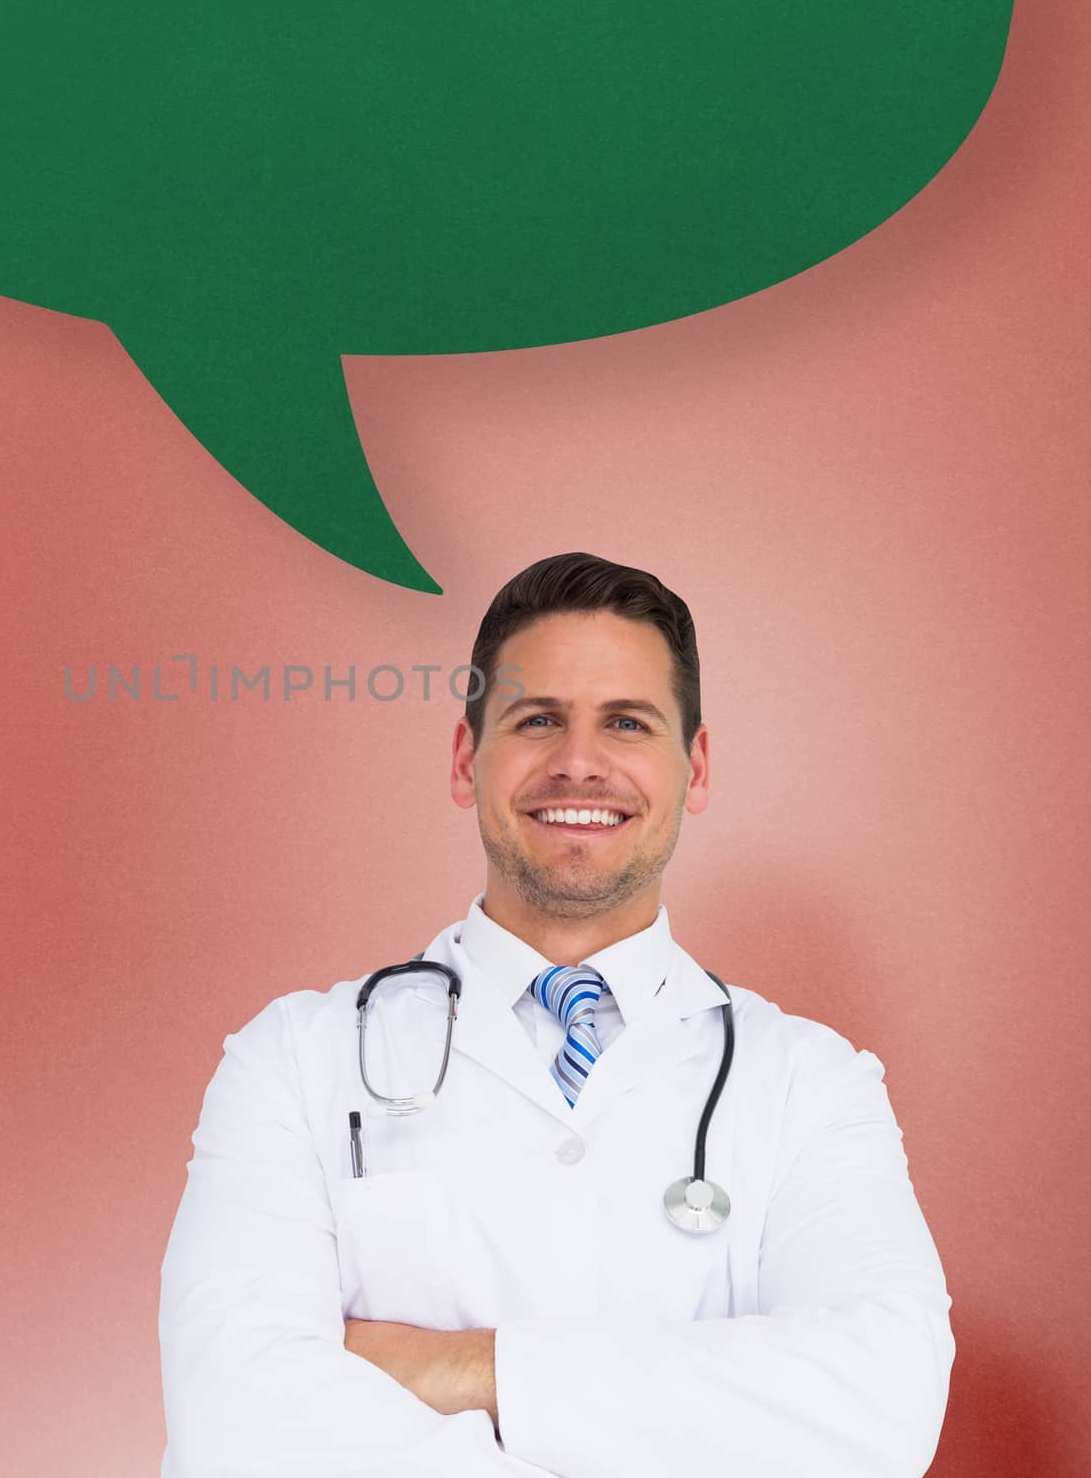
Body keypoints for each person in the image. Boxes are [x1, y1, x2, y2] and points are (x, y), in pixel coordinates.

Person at [158, 552, 953, 1478]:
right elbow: (239, 1424)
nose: (579, 764)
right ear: (467, 761)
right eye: (538, 721)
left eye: (627, 722)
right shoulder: (293, 1059)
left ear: (693, 769)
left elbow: (883, 1403)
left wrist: (460, 1365)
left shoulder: (812, 1082)